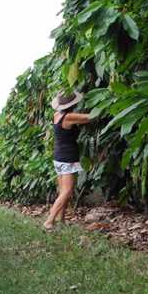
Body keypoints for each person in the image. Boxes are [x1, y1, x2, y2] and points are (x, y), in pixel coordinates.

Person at [44, 91, 91, 230]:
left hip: (59, 156)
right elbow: (92, 117)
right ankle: (49, 221)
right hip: (67, 157)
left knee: (63, 191)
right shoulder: (69, 116)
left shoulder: (57, 115)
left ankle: (61, 220)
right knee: (67, 191)